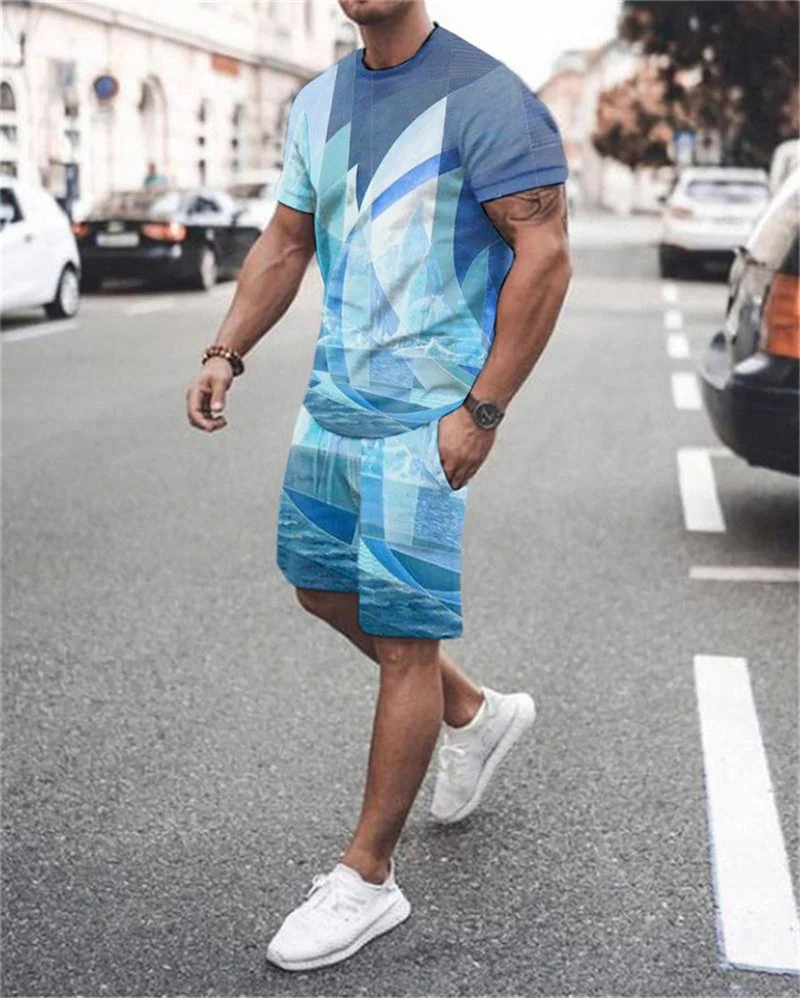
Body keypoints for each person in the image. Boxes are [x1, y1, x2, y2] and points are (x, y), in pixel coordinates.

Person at [186, 0, 571, 972]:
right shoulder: (317, 101)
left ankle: (367, 876)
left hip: (427, 415)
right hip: (334, 401)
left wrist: (481, 409)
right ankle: (473, 711)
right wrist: (227, 349)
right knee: (319, 586)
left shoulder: (489, 98)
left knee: (404, 637)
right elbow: (285, 242)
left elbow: (544, 255)